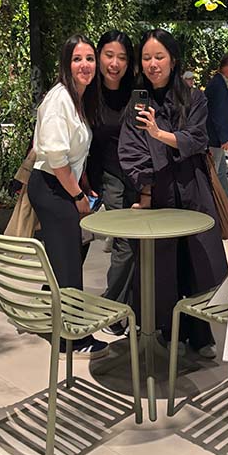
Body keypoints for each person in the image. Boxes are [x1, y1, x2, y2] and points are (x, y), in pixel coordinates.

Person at [120, 28, 228, 359]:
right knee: (163, 266)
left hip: (193, 188)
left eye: (159, 56)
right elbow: (131, 149)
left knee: (198, 261)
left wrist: (159, 133)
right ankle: (168, 331)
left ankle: (201, 333)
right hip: (159, 193)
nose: (152, 64)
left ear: (173, 59)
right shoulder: (138, 100)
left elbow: (197, 139)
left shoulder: (193, 97)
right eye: (146, 58)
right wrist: (145, 190)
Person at [26, 34, 105, 358]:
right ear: (66, 64)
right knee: (69, 263)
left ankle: (50, 315)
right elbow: (57, 160)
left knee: (66, 256)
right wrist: (77, 195)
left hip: (61, 184)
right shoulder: (59, 100)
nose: (85, 65)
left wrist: (83, 183)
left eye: (89, 58)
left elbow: (74, 154)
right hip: (52, 186)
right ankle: (71, 339)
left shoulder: (77, 99)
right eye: (77, 59)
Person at [84, 31, 138, 331]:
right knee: (125, 244)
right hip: (107, 178)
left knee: (135, 246)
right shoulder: (88, 92)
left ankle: (126, 306)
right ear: (99, 55)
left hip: (138, 178)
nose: (114, 63)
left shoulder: (136, 92)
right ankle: (114, 311)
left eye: (122, 57)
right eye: (109, 55)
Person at [204, 53, 228, 203]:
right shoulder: (218, 85)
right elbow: (218, 113)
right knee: (214, 173)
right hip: (215, 138)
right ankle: (212, 204)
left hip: (215, 137)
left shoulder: (218, 83)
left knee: (221, 171)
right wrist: (224, 138)